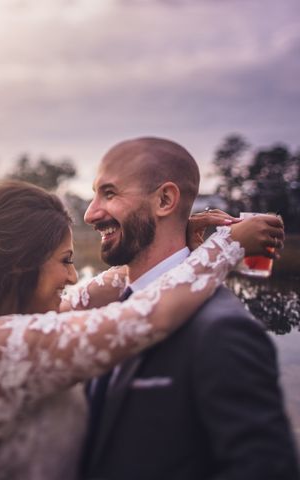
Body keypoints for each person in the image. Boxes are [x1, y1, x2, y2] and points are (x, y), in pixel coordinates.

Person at [0, 181, 283, 480]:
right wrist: (228, 245)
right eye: (65, 260)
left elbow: (108, 286)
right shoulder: (6, 344)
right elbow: (148, 315)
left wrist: (176, 246)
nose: (73, 276)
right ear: (21, 264)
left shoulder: (1, 331)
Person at [81, 137, 299, 480]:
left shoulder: (222, 330)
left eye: (109, 194)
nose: (90, 213)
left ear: (165, 200)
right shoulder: (104, 308)